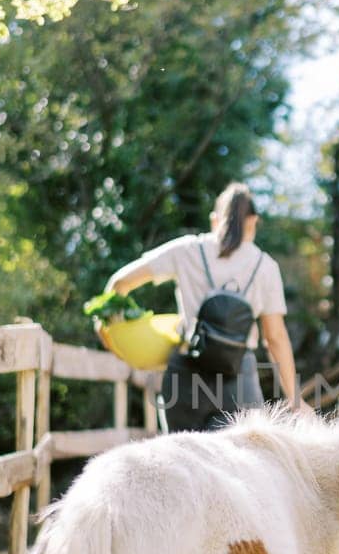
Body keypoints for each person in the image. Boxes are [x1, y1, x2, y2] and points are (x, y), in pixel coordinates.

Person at [105, 182, 305, 432]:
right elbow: (275, 338)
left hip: (185, 378)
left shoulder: (186, 249)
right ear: (253, 222)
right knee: (243, 467)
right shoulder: (265, 266)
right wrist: (295, 400)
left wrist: (113, 333)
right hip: (238, 379)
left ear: (214, 220)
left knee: (181, 465)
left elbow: (119, 283)